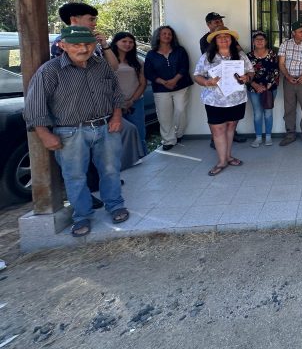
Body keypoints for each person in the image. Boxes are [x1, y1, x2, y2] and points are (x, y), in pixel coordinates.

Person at [23, 26, 129, 237]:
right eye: (76, 44)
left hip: (105, 126)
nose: (83, 48)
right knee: (75, 176)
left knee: (110, 170)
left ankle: (115, 205)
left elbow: (116, 92)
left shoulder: (101, 65)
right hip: (70, 131)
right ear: (63, 46)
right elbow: (34, 106)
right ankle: (81, 216)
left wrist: (117, 116)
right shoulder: (50, 70)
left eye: (88, 44)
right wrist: (44, 134)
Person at [193, 27, 254, 176]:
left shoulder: (239, 55)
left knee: (231, 127)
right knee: (218, 129)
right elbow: (197, 76)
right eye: (220, 37)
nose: (224, 39)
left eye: (227, 37)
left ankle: (228, 156)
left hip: (236, 98)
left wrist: (247, 77)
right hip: (215, 100)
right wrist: (207, 82)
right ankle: (222, 161)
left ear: (232, 39)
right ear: (215, 40)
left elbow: (251, 71)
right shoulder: (207, 56)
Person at [199, 12, 247, 144]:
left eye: (220, 21)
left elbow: (239, 54)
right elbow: (210, 61)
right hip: (216, 85)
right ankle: (215, 140)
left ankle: (232, 135)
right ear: (208, 24)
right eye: (216, 22)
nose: (219, 23)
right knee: (216, 119)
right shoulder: (204, 40)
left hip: (233, 84)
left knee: (232, 118)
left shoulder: (230, 37)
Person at [144, 25, 193, 151]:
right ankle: (168, 140)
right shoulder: (151, 54)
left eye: (169, 34)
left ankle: (179, 134)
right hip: (161, 89)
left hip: (180, 86)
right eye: (164, 34)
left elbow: (184, 67)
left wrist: (174, 80)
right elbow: (149, 72)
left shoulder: (179, 50)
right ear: (158, 36)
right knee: (164, 116)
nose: (167, 36)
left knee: (180, 111)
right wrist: (163, 82)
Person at [278, 21, 302, 147]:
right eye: (301, 31)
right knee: (289, 109)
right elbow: (281, 63)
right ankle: (290, 134)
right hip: (289, 81)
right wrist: (288, 76)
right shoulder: (285, 45)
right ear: (293, 33)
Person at [107, 31, 148, 156]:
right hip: (113, 105)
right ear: (116, 42)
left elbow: (143, 84)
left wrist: (131, 100)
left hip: (135, 103)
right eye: (124, 41)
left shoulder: (138, 61)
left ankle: (141, 156)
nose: (127, 44)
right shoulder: (107, 60)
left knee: (139, 131)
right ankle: (121, 159)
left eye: (131, 42)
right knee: (116, 134)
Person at [247, 30, 279, 147]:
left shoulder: (273, 54)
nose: (259, 41)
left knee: (268, 113)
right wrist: (255, 85)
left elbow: (276, 71)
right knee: (257, 113)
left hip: (270, 88)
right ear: (253, 42)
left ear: (266, 41)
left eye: (262, 39)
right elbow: (245, 74)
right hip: (254, 88)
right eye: (257, 39)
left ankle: (268, 136)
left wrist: (267, 86)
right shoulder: (248, 56)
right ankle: (258, 137)